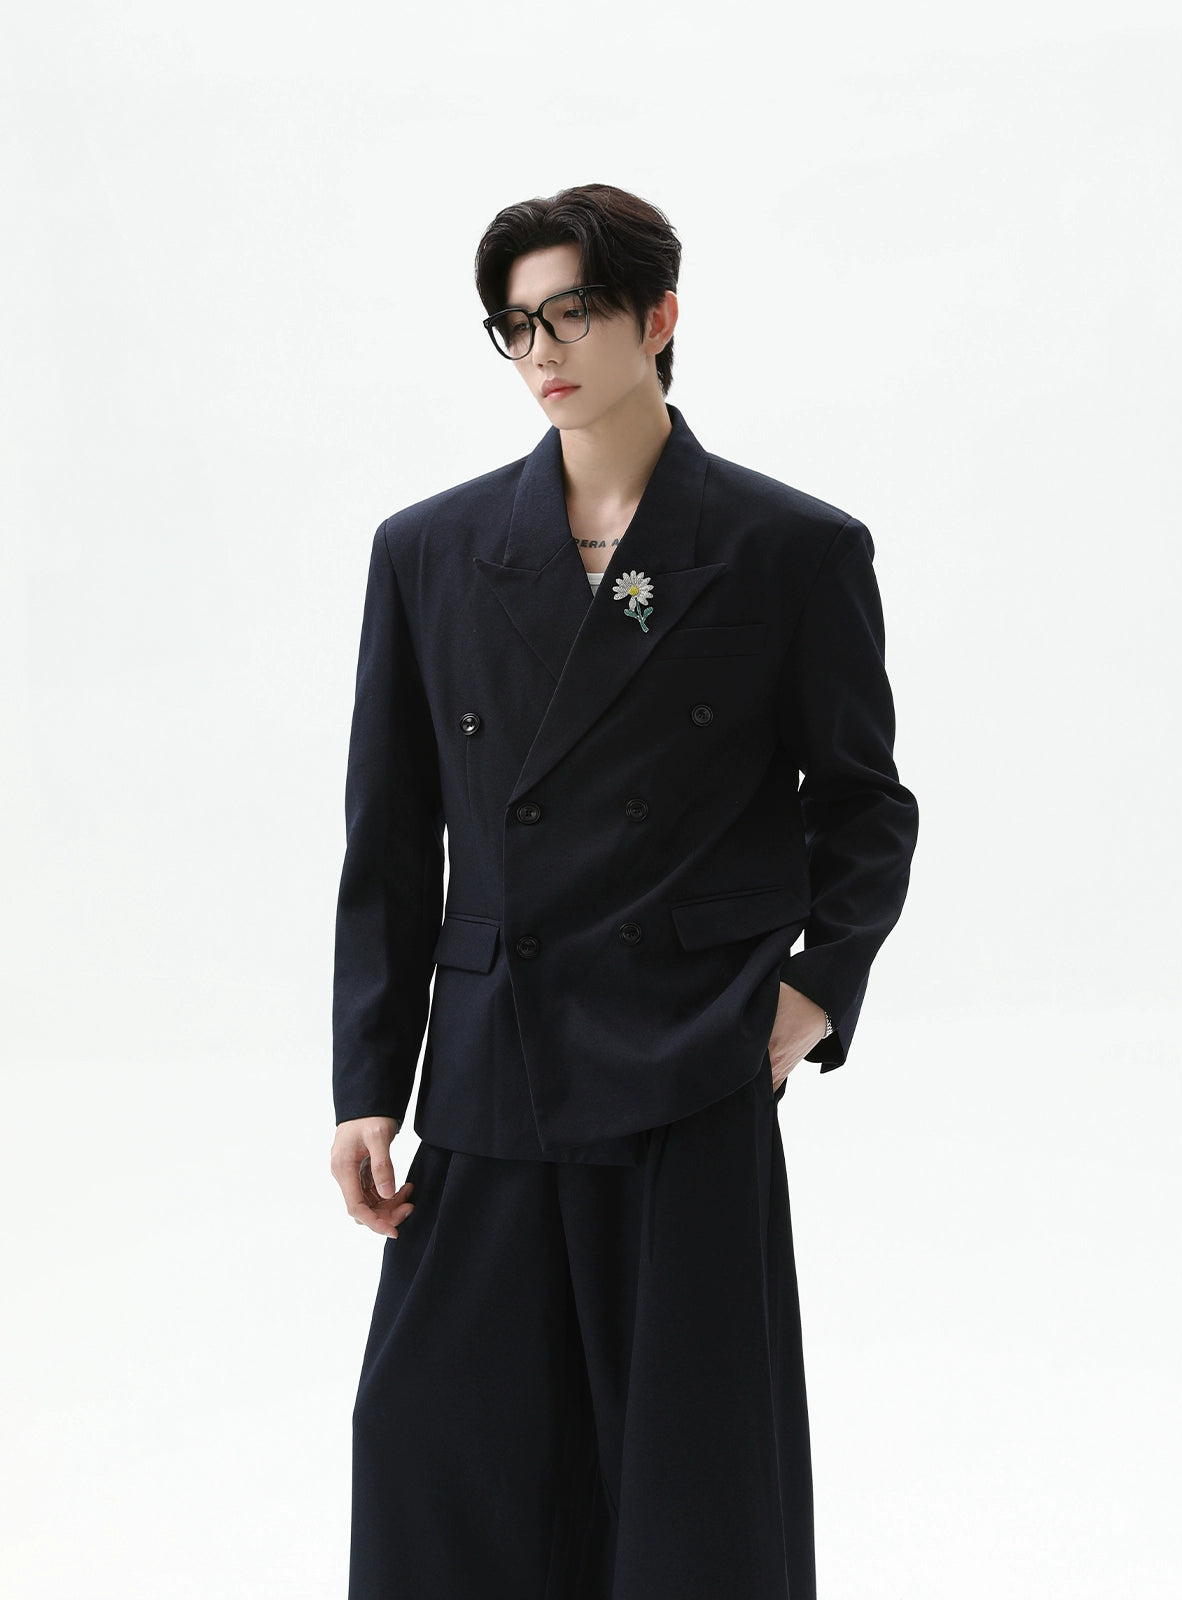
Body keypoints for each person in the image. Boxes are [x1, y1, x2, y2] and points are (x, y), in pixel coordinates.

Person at [329, 182, 918, 1600]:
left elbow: (863, 806)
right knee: (433, 1452)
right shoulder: (429, 551)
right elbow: (391, 840)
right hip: (491, 1065)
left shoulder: (790, 548)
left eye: (575, 313)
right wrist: (367, 1084)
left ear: (659, 318)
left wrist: (812, 993)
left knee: (691, 1468)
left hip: (686, 1059)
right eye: (517, 324)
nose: (544, 350)